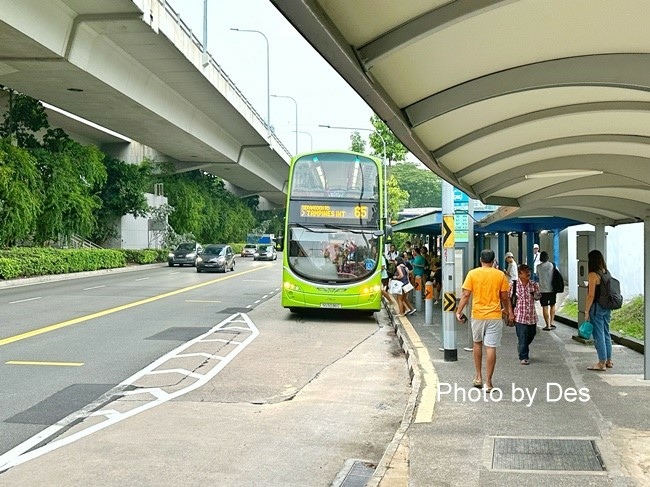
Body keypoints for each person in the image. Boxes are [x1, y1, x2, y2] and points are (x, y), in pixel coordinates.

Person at [456, 249, 512, 393]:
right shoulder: (500, 275)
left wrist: (459, 311)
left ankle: (478, 377)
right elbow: (505, 297)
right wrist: (509, 311)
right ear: (493, 261)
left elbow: (466, 294)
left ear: (481, 260)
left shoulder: (473, 274)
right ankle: (489, 382)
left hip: (478, 315)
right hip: (494, 316)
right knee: (491, 347)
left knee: (477, 344)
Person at [584, 250, 614, 371]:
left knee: (598, 334)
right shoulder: (606, 272)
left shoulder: (592, 275)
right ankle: (609, 360)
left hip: (597, 307)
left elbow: (591, 295)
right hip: (607, 306)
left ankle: (601, 362)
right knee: (606, 333)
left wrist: (586, 311)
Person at [510, 264, 541, 365]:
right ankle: (524, 356)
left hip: (531, 315)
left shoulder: (534, 284)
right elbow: (508, 300)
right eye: (525, 271)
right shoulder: (513, 286)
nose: (528, 273)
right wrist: (510, 313)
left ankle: (522, 346)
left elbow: (538, 297)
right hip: (519, 316)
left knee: (532, 334)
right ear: (519, 274)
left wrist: (537, 294)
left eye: (529, 271)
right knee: (522, 336)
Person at [536, 251, 557, 330]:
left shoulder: (538, 267)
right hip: (552, 289)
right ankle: (551, 322)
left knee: (544, 306)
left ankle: (547, 325)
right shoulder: (552, 265)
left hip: (542, 289)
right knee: (553, 305)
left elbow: (537, 276)